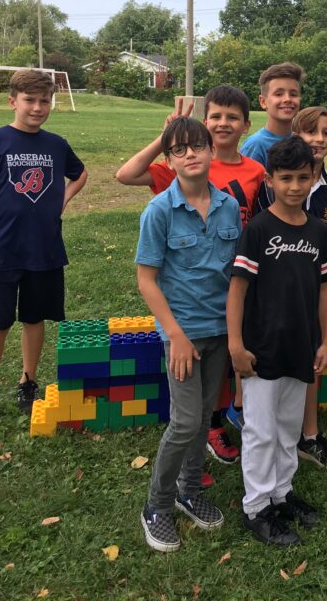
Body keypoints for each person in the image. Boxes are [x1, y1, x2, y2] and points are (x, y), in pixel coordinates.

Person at [116, 85, 266, 467]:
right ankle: (166, 497)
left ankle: (200, 465)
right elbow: (126, 174)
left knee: (205, 403)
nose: (223, 123)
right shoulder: (175, 182)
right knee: (188, 419)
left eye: (233, 117)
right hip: (185, 314)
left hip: (225, 294)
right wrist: (169, 135)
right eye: (215, 116)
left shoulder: (246, 180)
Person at [228, 137, 327, 546]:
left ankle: (281, 493)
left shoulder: (318, 231)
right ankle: (257, 507)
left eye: (302, 178)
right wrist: (236, 345)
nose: (295, 186)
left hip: (302, 346)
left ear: (313, 179)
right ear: (271, 180)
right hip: (261, 348)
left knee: (288, 426)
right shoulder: (259, 230)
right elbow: (238, 290)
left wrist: (325, 341)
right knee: (260, 429)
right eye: (286, 178)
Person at [135, 117, 241, 552]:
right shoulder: (159, 210)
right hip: (183, 334)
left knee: (201, 418)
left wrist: (235, 332)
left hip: (218, 331)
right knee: (183, 422)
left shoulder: (229, 206)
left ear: (211, 151)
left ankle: (189, 491)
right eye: (179, 149)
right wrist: (176, 336)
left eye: (197, 145)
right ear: (168, 160)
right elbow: (147, 279)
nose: (191, 154)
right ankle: (156, 506)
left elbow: (235, 275)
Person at [0, 69, 88, 433]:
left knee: (34, 319)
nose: (37, 107)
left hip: (44, 250)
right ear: (13, 101)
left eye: (44, 100)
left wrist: (60, 201)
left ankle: (27, 382)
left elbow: (79, 174)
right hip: (1, 250)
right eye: (30, 100)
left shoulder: (56, 144)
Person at [256, 106, 327, 469]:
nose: (319, 139)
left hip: (315, 293)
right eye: (311, 132)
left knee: (312, 359)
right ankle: (263, 431)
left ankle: (309, 435)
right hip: (276, 291)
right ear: (294, 137)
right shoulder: (275, 184)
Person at [239, 61, 327, 167]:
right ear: (263, 102)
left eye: (293, 94)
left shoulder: (300, 138)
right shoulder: (256, 146)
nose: (287, 99)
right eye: (278, 94)